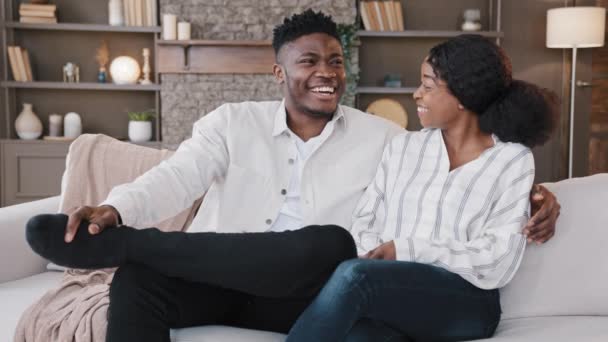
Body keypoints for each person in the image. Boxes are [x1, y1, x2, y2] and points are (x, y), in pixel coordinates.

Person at [25, 11, 560, 342]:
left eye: (335, 60)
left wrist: (540, 197)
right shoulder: (232, 123)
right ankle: (129, 248)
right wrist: (116, 209)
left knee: (327, 244)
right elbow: (176, 177)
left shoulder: (385, 138)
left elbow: (461, 171)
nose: (326, 72)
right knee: (139, 280)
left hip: (307, 292)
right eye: (309, 61)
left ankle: (127, 246)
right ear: (279, 72)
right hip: (223, 275)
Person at [285, 34, 559, 342]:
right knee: (356, 335)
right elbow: (366, 220)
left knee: (354, 277)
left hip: (467, 302)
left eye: (427, 86)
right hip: (391, 291)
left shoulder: (512, 159)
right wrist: (376, 257)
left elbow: (497, 259)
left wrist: (407, 250)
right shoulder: (403, 147)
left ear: (463, 96)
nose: (416, 95)